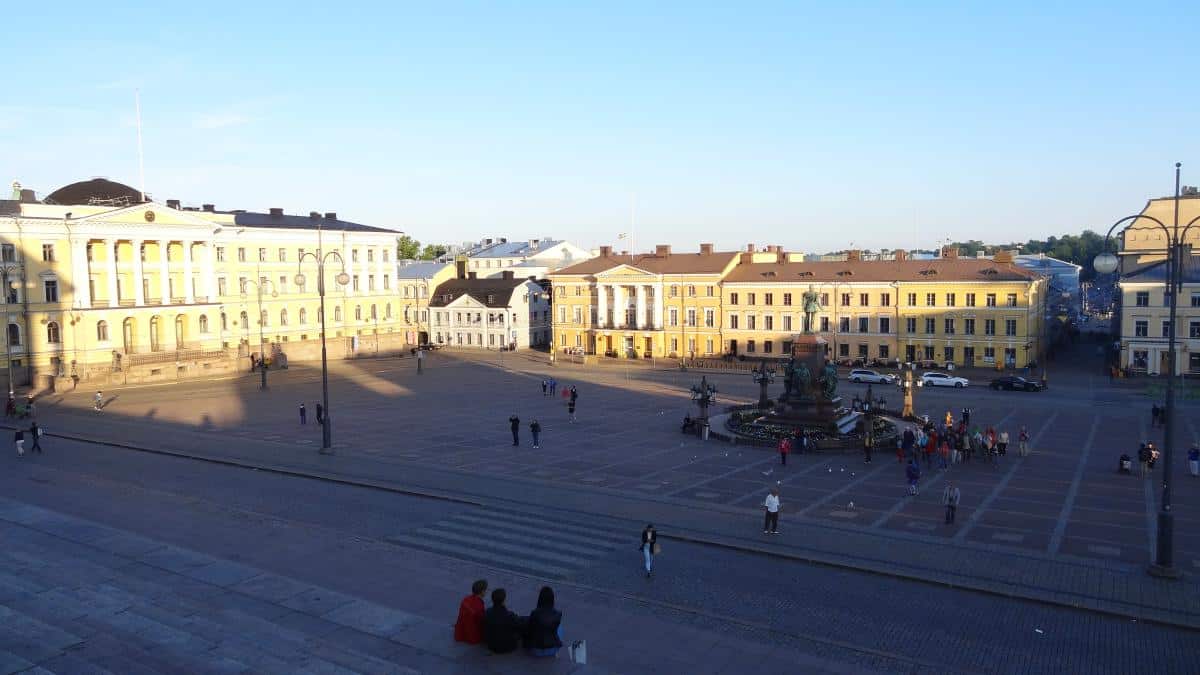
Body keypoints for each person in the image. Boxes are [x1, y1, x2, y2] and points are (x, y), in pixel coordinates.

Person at [524, 586, 563, 657]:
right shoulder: (558, 614)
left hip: (535, 650)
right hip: (552, 649)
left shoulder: (535, 613)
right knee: (560, 627)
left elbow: (529, 629)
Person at [483, 588, 524, 654]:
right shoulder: (509, 615)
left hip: (491, 645)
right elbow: (519, 625)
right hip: (508, 646)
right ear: (504, 600)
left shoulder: (487, 612)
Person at [454, 579, 488, 644]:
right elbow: (480, 621)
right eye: (486, 590)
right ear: (482, 591)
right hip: (472, 637)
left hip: (459, 633)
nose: (486, 592)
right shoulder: (479, 604)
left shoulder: (466, 599)